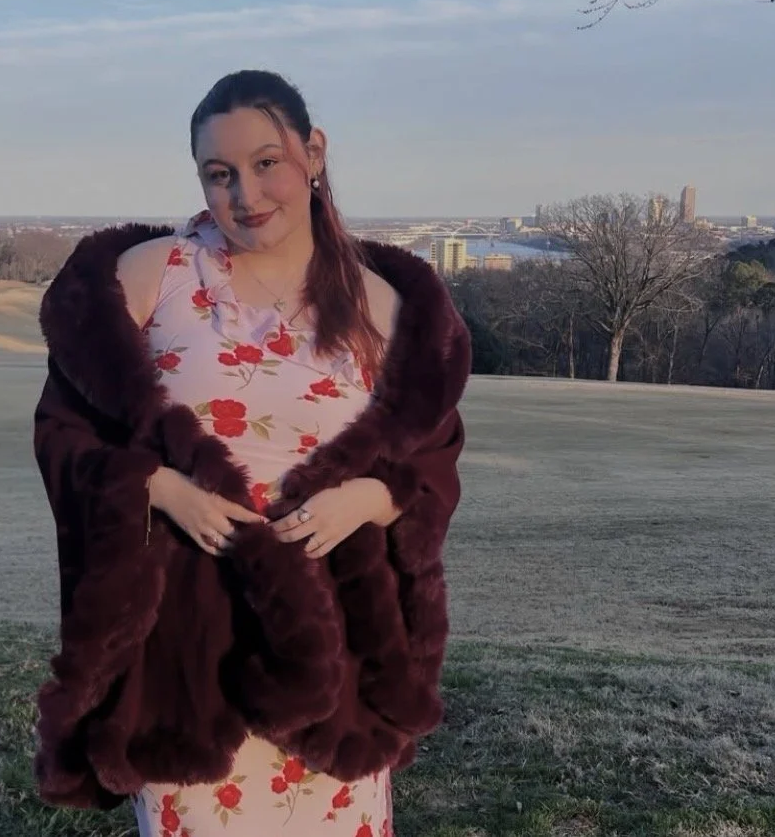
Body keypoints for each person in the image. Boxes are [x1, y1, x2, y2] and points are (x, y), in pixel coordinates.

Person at [32, 69, 471, 836]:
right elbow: (65, 436)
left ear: (315, 152)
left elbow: (431, 458)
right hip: (190, 656)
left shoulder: (382, 302)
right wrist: (158, 489)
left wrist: (372, 499)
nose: (246, 193)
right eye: (220, 173)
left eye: (267, 162)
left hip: (339, 651)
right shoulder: (150, 278)